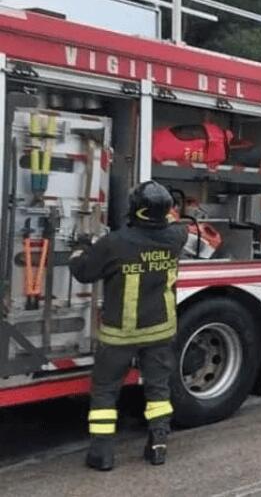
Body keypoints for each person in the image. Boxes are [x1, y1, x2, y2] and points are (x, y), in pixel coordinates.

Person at [69, 181, 187, 471]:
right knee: (158, 391)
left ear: (136, 209)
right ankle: (158, 446)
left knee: (106, 392)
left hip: (119, 335)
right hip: (160, 331)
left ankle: (102, 454)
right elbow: (175, 222)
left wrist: (80, 248)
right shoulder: (176, 237)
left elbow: (84, 272)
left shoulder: (115, 243)